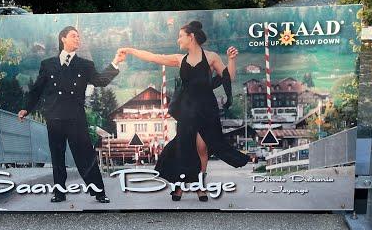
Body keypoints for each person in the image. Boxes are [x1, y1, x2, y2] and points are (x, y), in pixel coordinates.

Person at [119, 20, 248, 202]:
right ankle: (179, 187)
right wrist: (131, 50)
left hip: (206, 109)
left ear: (191, 36)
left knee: (202, 148)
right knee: (184, 148)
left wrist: (232, 60)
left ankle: (200, 187)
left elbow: (229, 77)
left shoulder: (211, 57)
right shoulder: (180, 59)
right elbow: (154, 57)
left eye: (180, 36)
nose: (178, 40)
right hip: (187, 109)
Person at [18, 26, 125, 203]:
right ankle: (59, 193)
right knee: (57, 157)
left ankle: (99, 192)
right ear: (63, 39)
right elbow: (37, 90)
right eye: (73, 36)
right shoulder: (48, 64)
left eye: (78, 37)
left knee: (86, 156)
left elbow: (101, 81)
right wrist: (26, 108)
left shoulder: (85, 65)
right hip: (54, 118)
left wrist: (116, 62)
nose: (78, 39)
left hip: (76, 118)